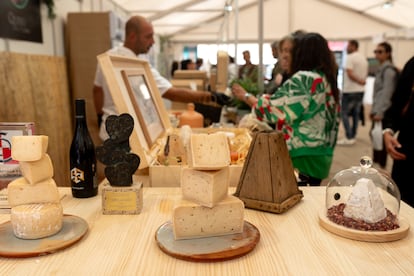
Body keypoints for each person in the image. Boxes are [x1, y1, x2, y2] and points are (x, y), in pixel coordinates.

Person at [232, 32, 340, 185]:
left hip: (302, 155)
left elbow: (271, 110)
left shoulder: (306, 78)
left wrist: (245, 96)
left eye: (292, 51)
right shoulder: (325, 78)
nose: (288, 55)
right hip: (321, 155)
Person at [93, 15, 212, 140]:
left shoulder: (108, 56)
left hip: (109, 133)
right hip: (129, 139)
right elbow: (173, 94)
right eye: (148, 36)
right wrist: (209, 96)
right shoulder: (137, 64)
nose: (153, 42)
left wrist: (100, 116)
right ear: (132, 36)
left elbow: (97, 89)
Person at [383, 56, 414, 207]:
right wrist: (388, 131)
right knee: (401, 207)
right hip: (405, 154)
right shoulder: (412, 64)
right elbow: (397, 104)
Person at [370, 42, 398, 168]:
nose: (377, 54)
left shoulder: (389, 71)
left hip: (384, 111)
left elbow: (387, 92)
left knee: (381, 141)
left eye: (380, 51)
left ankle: (381, 168)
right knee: (376, 138)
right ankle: (377, 165)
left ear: (388, 53)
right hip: (379, 109)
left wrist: (380, 112)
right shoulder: (382, 69)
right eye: (375, 51)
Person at [337, 39, 368, 146]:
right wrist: (362, 82)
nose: (347, 48)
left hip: (349, 90)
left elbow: (350, 73)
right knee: (356, 114)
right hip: (360, 91)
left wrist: (359, 81)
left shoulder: (350, 57)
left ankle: (349, 136)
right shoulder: (363, 58)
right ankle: (353, 135)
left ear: (354, 46)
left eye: (349, 46)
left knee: (344, 113)